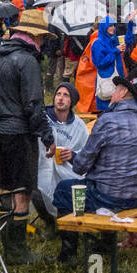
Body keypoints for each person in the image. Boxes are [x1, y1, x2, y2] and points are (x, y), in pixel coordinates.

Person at [52, 74, 137, 265]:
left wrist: (74, 156)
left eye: (116, 89)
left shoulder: (107, 120)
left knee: (64, 189)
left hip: (110, 197)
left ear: (123, 92)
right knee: (104, 185)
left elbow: (81, 166)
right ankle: (105, 242)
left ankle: (69, 253)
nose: (112, 94)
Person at [0, 7, 56, 265]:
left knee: (6, 187)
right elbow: (33, 105)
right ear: (34, 36)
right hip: (20, 133)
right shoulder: (28, 61)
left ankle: (8, 245)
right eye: (43, 37)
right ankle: (17, 251)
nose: (43, 42)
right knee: (23, 190)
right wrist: (47, 136)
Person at [32, 82, 89, 233]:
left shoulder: (79, 126)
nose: (61, 98)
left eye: (66, 95)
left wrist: (72, 155)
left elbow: (86, 154)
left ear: (72, 101)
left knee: (74, 186)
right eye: (58, 94)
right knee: (35, 190)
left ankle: (66, 219)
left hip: (67, 170)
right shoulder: (42, 120)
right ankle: (49, 221)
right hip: (42, 166)